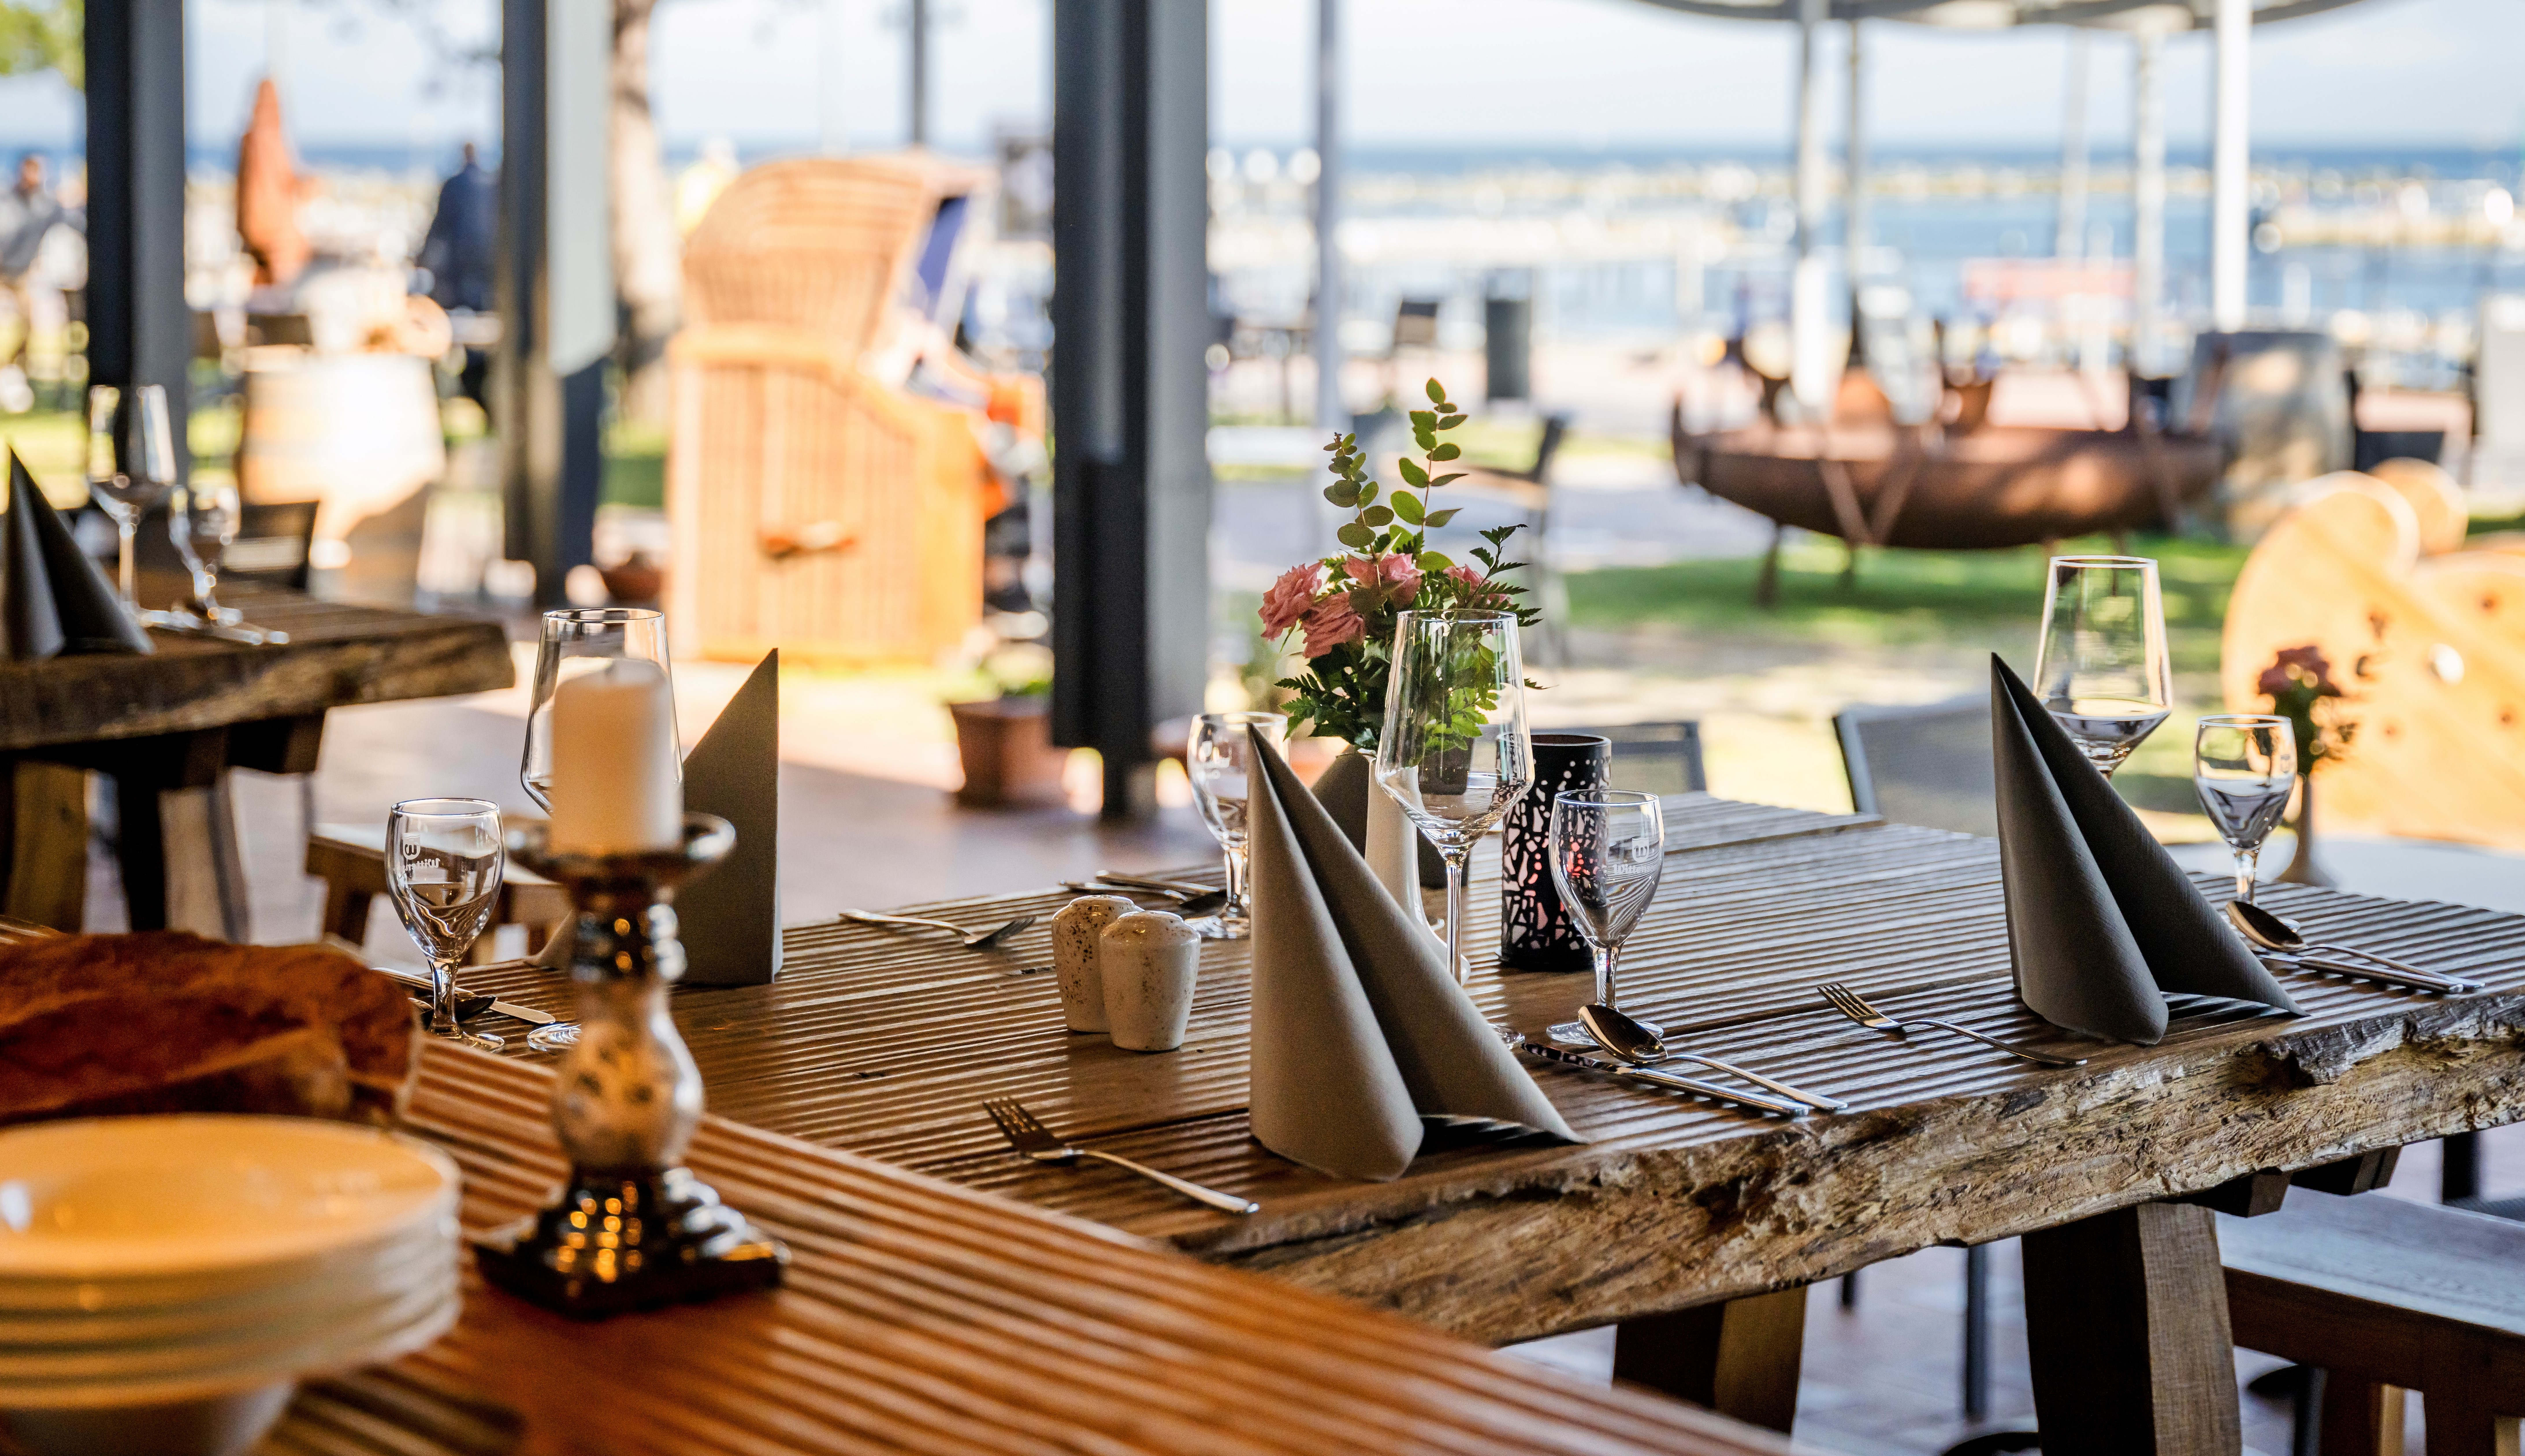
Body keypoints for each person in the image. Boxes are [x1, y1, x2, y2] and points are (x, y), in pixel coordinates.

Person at [417, 143, 496, 403]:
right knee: (481, 323)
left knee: (463, 327)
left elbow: (439, 227)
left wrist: (423, 262)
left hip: (462, 269)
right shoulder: (490, 183)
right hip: (487, 267)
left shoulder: (453, 185)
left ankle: (471, 383)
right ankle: (477, 382)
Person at [0, 153, 64, 412]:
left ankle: (17, 372)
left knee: (29, 328)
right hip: (4, 275)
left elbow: (67, 219)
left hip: (23, 275)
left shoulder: (45, 205)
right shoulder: (7, 202)